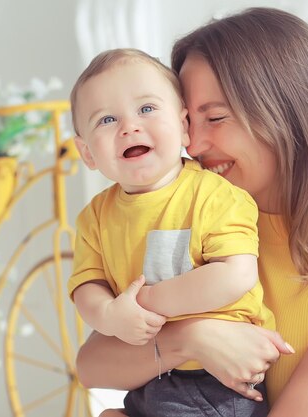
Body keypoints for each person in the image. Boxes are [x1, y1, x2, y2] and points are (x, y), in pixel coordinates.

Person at [75, 7, 308, 417]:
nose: (193, 145)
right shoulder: (194, 219)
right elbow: (93, 363)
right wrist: (192, 338)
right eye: (185, 120)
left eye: (215, 118)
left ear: (289, 113)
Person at [68, 48, 275, 417]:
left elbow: (235, 274)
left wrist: (144, 304)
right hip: (148, 373)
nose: (129, 126)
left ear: (183, 126)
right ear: (87, 153)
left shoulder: (213, 194)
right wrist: (109, 316)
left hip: (217, 377)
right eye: (107, 119)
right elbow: (87, 285)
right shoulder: (95, 218)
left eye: (146, 109)